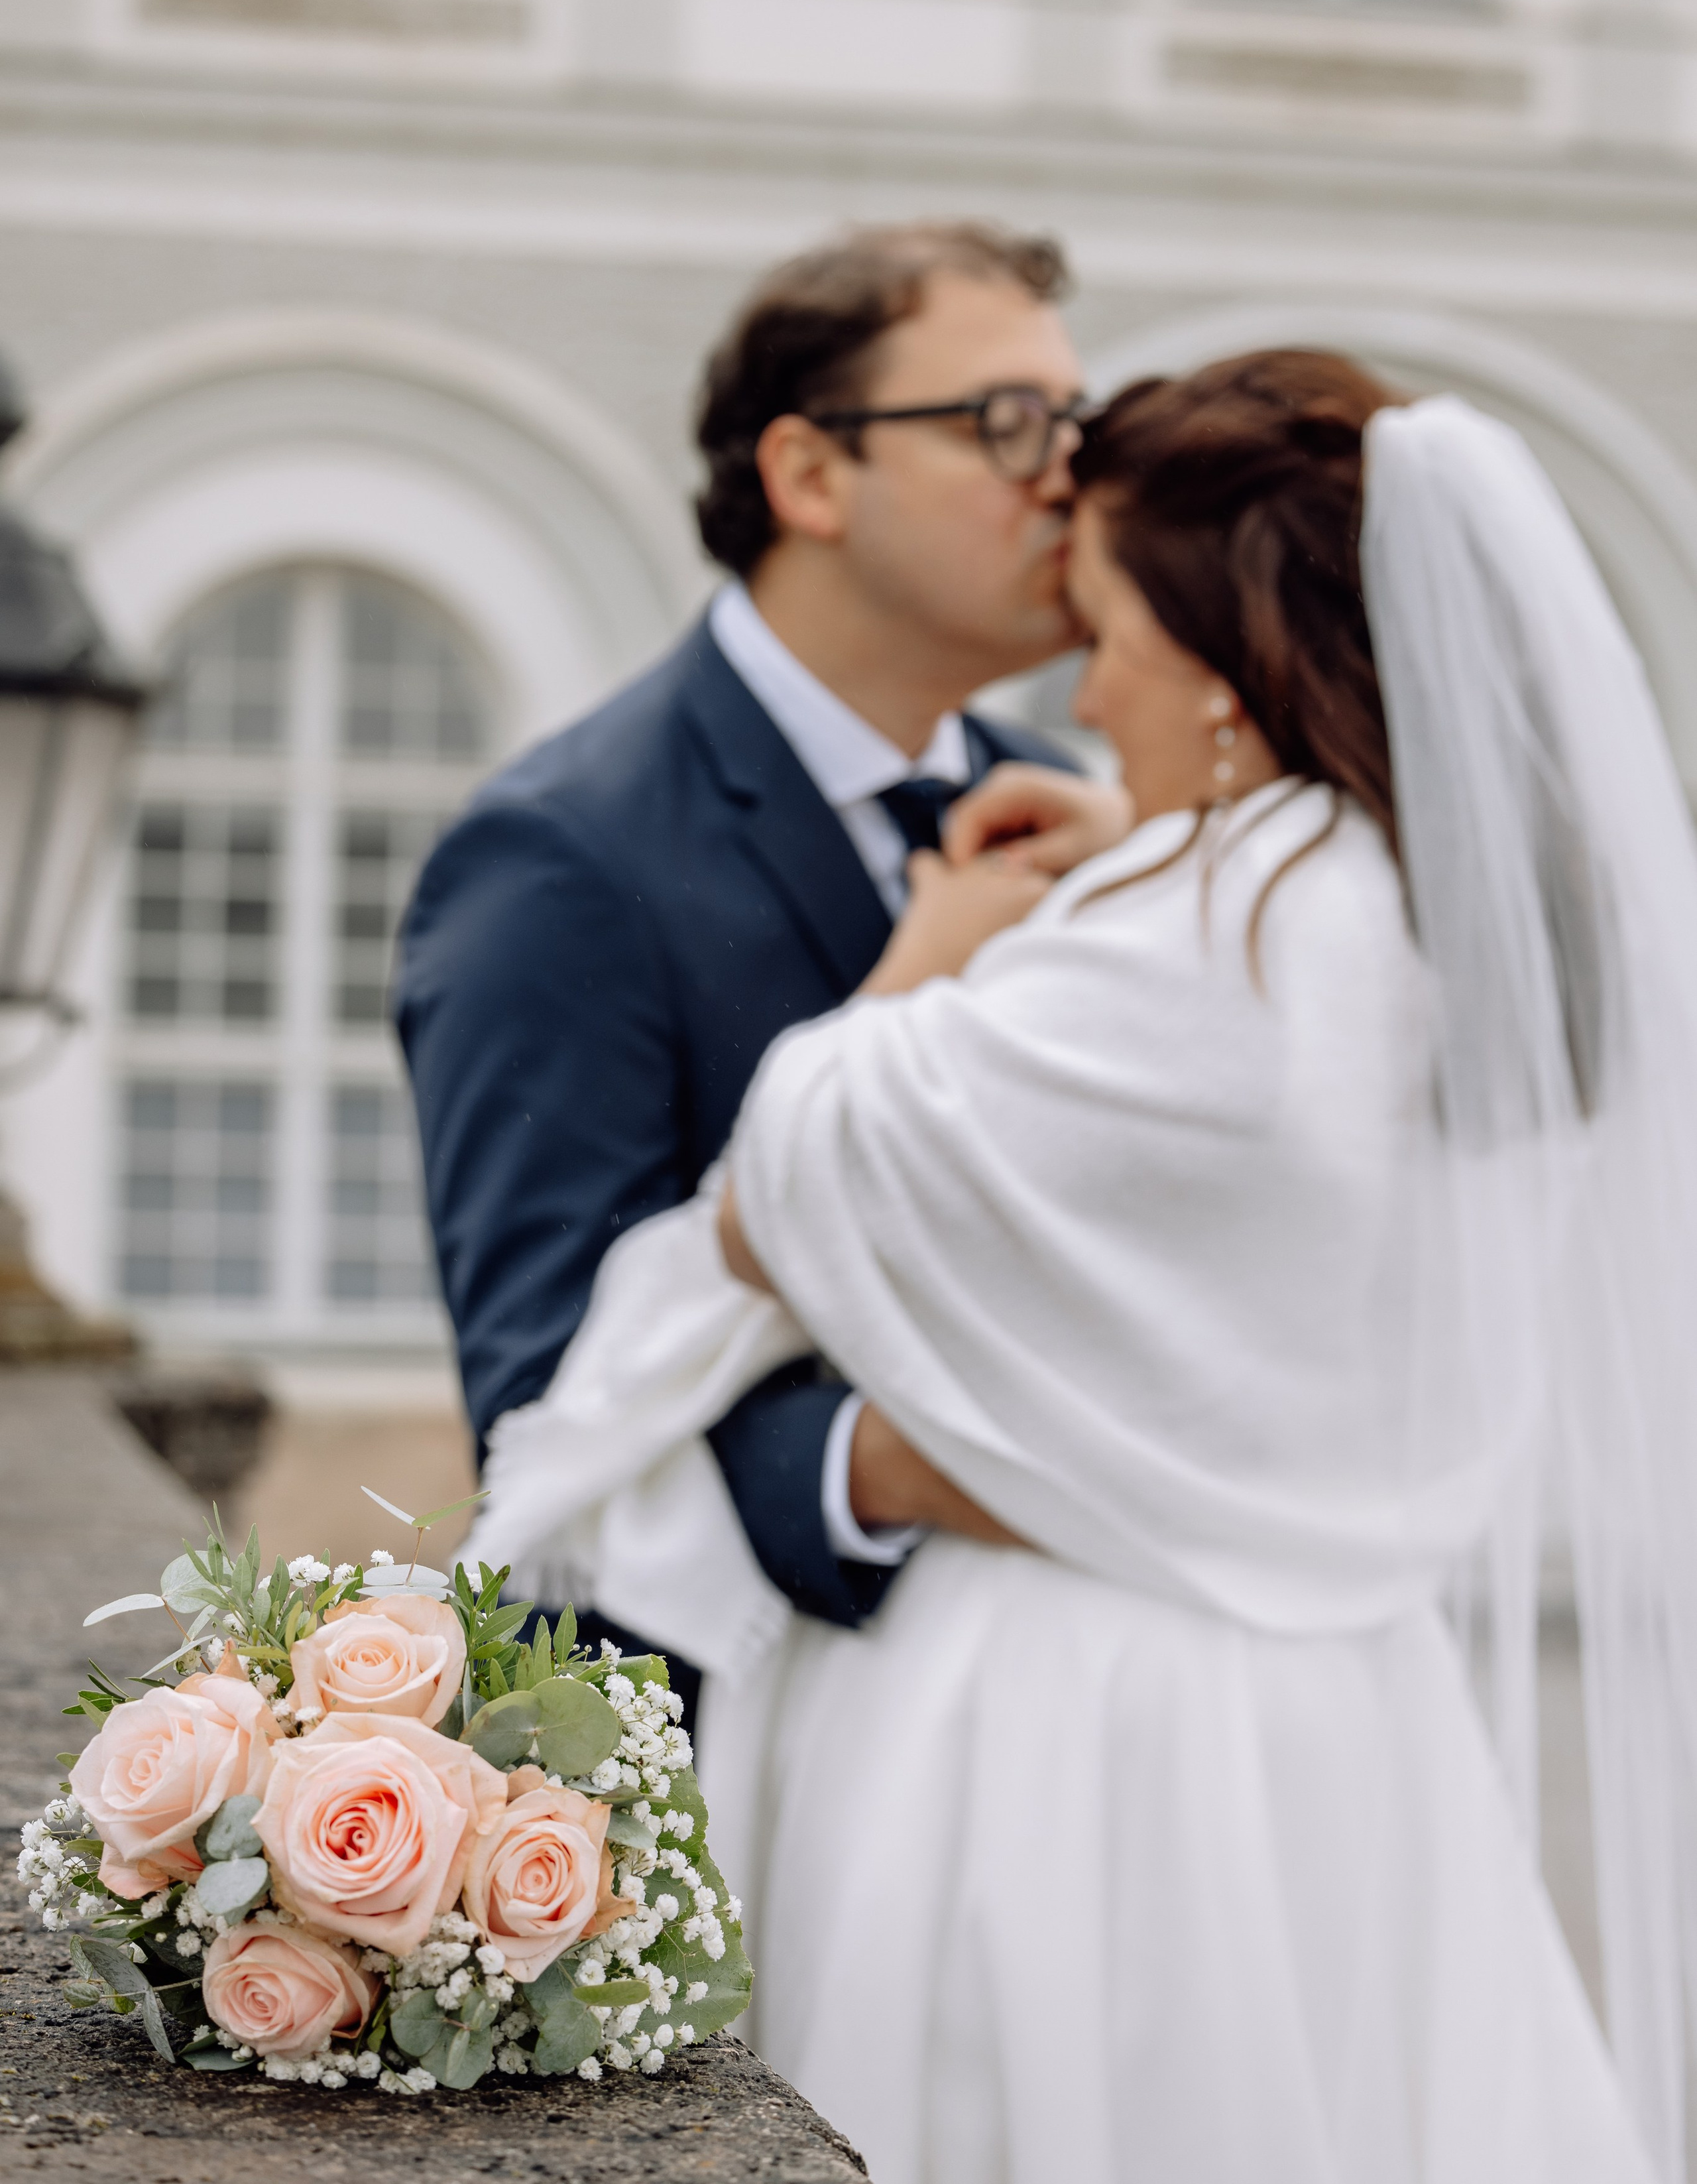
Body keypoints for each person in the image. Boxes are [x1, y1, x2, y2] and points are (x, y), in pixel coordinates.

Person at [471, 351, 1694, 2182]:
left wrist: (935, 949)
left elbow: (783, 1176)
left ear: (1222, 663)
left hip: (1081, 1721)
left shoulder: (1204, 934)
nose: (1085, 678)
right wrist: (1140, 848)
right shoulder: (1417, 907)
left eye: (1111, 625)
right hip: (1346, 1714)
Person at [394, 221, 1083, 1695]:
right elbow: (552, 1402)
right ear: (809, 473)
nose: (1065, 474)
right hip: (763, 1734)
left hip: (1093, 1697)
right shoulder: (561, 855)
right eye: (1003, 423)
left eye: (1075, 422)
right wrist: (966, 1463)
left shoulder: (1078, 800)